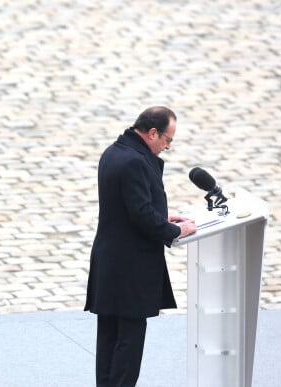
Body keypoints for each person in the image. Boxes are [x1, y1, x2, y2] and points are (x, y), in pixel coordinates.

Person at [84, 106, 197, 386]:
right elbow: (141, 215)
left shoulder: (113, 152)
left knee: (109, 339)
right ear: (152, 132)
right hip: (130, 267)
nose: (168, 147)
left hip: (111, 262)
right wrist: (174, 229)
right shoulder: (135, 161)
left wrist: (161, 214)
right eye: (167, 140)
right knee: (129, 344)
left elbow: (127, 206)